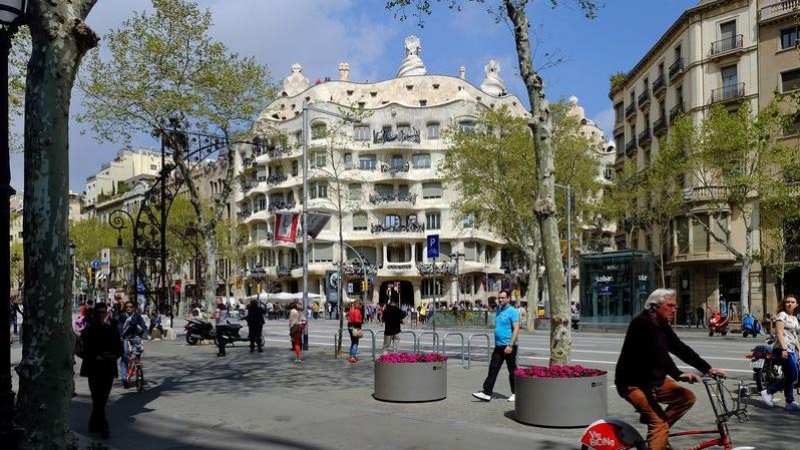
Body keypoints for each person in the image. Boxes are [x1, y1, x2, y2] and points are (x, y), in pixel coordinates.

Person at [615, 288, 727, 450]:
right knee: (659, 423)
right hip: (633, 384)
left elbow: (680, 348)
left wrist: (707, 369)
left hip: (655, 381)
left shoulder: (662, 325)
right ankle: (658, 429)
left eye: (675, 306)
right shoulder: (641, 324)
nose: (675, 310)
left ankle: (657, 431)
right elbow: (658, 354)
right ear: (654, 307)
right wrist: (679, 374)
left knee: (686, 398)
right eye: (670, 306)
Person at [79, 302, 123, 439]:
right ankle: (104, 427)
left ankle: (93, 423)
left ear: (106, 313)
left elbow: (120, 350)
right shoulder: (87, 332)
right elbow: (80, 350)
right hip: (93, 369)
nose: (101, 315)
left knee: (102, 399)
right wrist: (94, 357)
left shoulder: (112, 330)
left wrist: (112, 355)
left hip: (108, 368)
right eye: (98, 312)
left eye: (103, 312)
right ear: (94, 313)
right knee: (97, 398)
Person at [473, 289, 519, 402]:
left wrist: (511, 345)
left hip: (509, 346)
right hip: (498, 346)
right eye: (499, 298)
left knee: (512, 370)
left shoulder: (513, 311)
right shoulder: (499, 310)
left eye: (503, 298)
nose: (500, 299)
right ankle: (487, 392)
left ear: (508, 298)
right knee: (493, 368)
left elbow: (516, 328)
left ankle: (516, 393)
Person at [760, 294, 800, 410]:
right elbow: (779, 333)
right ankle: (768, 391)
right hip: (782, 349)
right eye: (787, 302)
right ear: (784, 303)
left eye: (792, 302)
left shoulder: (794, 318)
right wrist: (784, 349)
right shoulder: (782, 315)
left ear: (796, 304)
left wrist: (799, 350)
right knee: (793, 375)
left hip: (791, 350)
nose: (789, 304)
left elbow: (795, 336)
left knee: (789, 375)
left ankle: (789, 402)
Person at [118, 301, 147, 387]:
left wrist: (145, 333)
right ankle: (124, 377)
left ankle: (137, 366)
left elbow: (143, 325)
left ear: (134, 308)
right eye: (127, 307)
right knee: (125, 355)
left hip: (135, 336)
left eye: (130, 306)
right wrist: (120, 335)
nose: (128, 308)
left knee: (139, 350)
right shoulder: (122, 316)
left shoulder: (137, 316)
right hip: (125, 337)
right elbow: (119, 326)